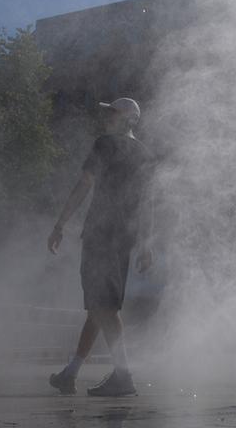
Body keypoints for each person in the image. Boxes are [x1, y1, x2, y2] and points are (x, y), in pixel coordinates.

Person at [46, 97, 155, 397]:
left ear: (128, 119)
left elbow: (84, 184)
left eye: (112, 113)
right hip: (125, 238)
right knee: (99, 306)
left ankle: (123, 376)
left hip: (101, 234)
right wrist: (145, 243)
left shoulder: (105, 144)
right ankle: (70, 373)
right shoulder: (145, 154)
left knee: (104, 306)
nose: (107, 117)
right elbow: (146, 202)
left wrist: (59, 226)